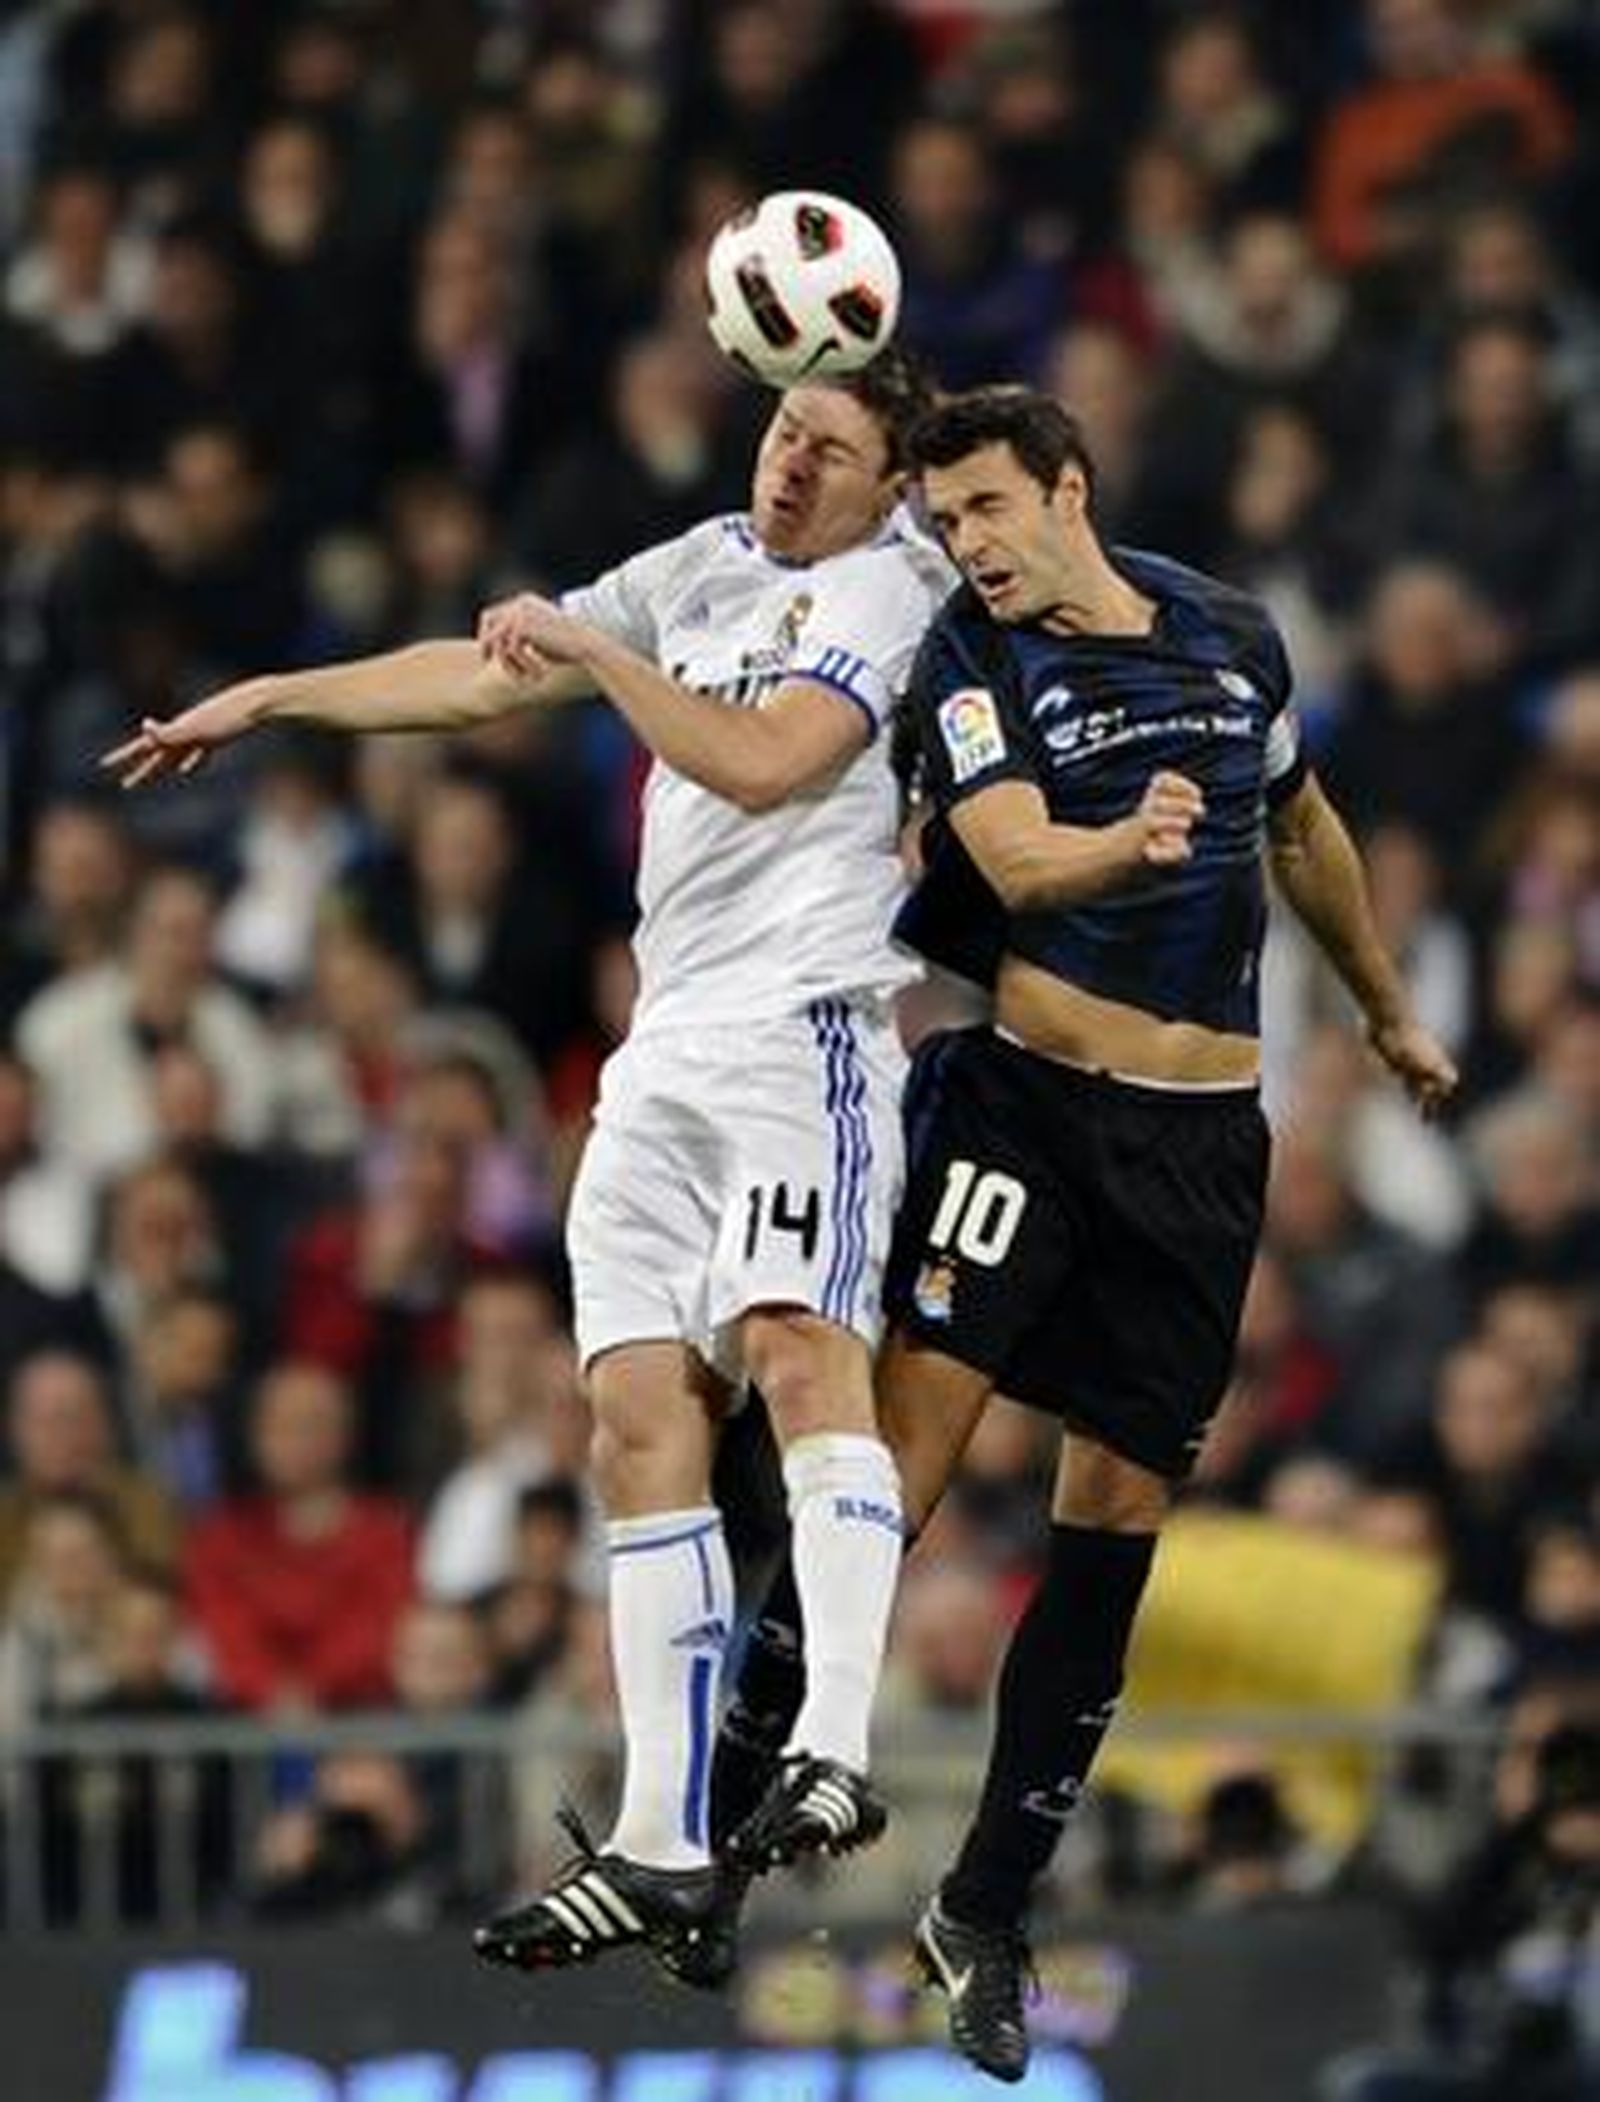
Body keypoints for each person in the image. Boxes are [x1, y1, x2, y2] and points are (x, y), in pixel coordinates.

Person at [104, 352, 972, 1982]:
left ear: (885, 487)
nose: (791, 466)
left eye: (832, 452)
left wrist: (592, 651)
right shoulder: (698, 562)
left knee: (798, 1354)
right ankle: (658, 1832)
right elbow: (485, 676)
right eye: (787, 429)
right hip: (663, 1056)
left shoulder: (894, 586)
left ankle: (835, 1747)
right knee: (633, 1417)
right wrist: (277, 700)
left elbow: (768, 760)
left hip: (812, 1040)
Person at [709, 385, 1459, 2080]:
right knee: (895, 1468)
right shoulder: (977, 669)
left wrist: (1391, 1011)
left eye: (984, 509)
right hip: (1027, 1110)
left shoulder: (1229, 635)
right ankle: (722, 1795)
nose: (965, 547)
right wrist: (1127, 838)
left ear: (1068, 489)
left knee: (1115, 1517)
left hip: (1201, 1147)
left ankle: (984, 1903)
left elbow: (1307, 828)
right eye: (946, 520)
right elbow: (1015, 860)